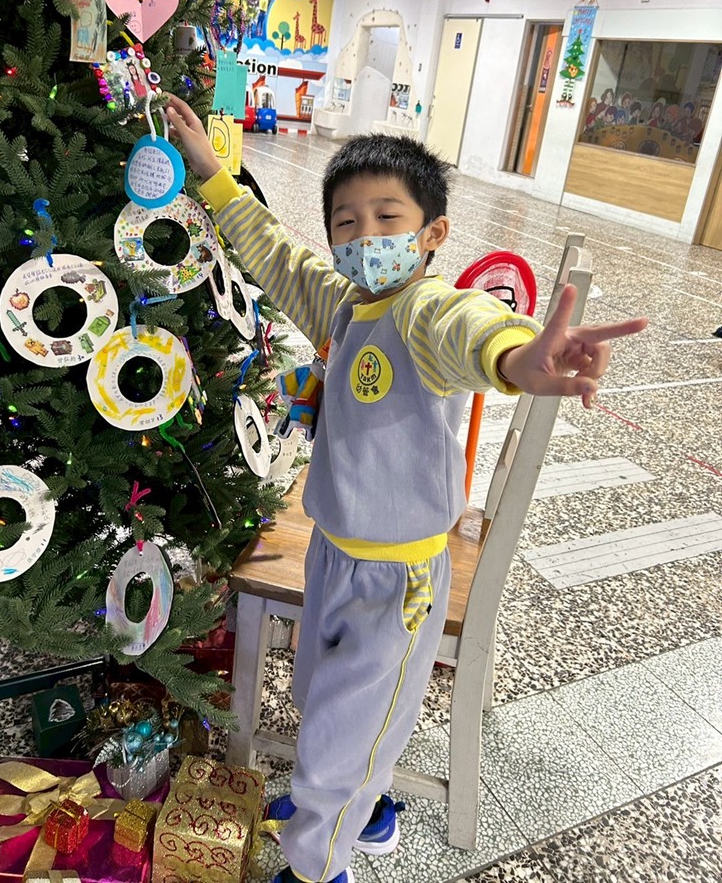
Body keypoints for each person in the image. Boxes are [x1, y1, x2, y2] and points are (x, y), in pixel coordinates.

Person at [165, 94, 648, 883]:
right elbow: (277, 256)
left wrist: (521, 358)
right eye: (346, 223)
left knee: (337, 740)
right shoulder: (344, 305)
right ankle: (368, 809)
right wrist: (214, 173)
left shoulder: (424, 310)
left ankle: (317, 867)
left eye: (387, 217)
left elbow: (474, 329)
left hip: (397, 581)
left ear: (432, 234)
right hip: (333, 553)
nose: (365, 237)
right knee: (328, 703)